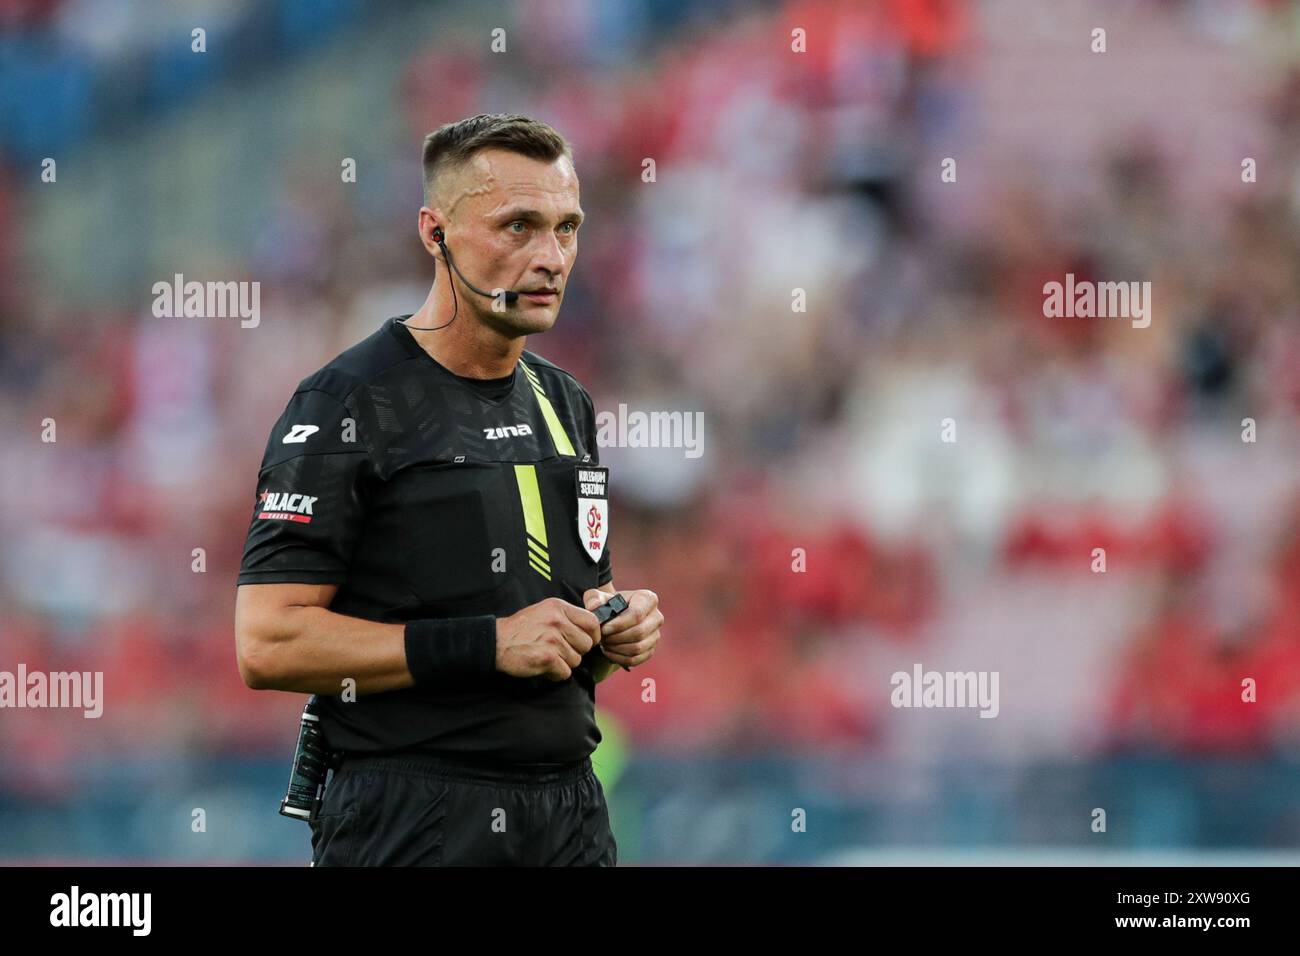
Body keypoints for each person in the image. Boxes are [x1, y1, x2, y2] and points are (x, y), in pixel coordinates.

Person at [233, 113, 663, 866]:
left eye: (567, 228)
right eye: (518, 227)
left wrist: (611, 629)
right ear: (436, 233)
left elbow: (549, 635)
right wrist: (489, 643)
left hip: (569, 813)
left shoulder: (566, 404)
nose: (551, 256)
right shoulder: (349, 403)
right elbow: (267, 641)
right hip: (416, 818)